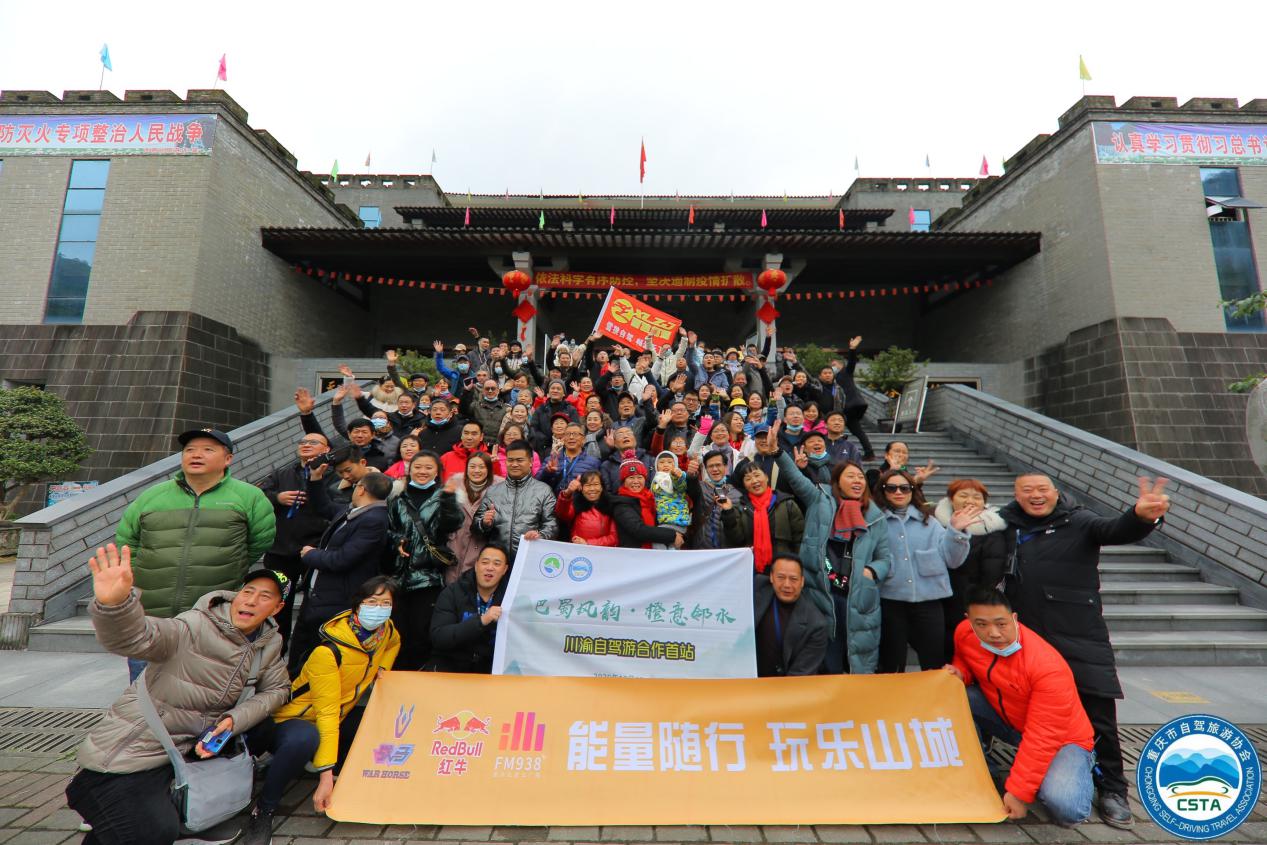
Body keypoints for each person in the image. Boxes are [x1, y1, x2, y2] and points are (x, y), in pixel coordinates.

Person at [66, 545, 290, 845]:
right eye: (248, 591)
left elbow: (278, 689)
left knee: (138, 828)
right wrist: (116, 605)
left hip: (180, 756)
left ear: (277, 609)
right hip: (130, 757)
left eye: (265, 596)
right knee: (153, 832)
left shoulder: (267, 643)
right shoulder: (194, 626)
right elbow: (137, 638)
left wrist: (233, 720)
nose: (251, 600)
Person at [999, 473, 1170, 829]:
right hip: (1027, 641)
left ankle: (1112, 789)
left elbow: (1115, 529)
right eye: (1027, 491)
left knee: (1099, 717)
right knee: (1026, 709)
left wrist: (1142, 516)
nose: (1035, 496)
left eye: (1042, 489)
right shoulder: (1005, 525)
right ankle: (1041, 770)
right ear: (1016, 496)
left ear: (1056, 494)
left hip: (1079, 636)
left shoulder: (1078, 521)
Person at [244, 576, 400, 842]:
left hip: (335, 719)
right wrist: (325, 778)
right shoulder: (328, 652)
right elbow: (326, 714)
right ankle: (265, 809)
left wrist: (382, 669)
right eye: (372, 602)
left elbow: (395, 643)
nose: (379, 608)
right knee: (306, 737)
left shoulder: (384, 632)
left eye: (385, 603)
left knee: (380, 725)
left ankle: (312, 763)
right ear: (357, 606)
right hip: (289, 720)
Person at [115, 428, 276, 682]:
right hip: (152, 615)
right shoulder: (153, 496)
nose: (196, 455)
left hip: (213, 618)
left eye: (208, 450)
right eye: (190, 450)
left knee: (201, 694)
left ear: (228, 459)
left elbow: (259, 542)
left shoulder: (249, 497)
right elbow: (127, 543)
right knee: (142, 694)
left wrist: (228, 563)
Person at [945, 588, 1096, 828]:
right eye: (981, 624)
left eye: (1001, 624)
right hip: (1011, 722)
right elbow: (965, 660)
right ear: (968, 621)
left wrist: (1018, 793)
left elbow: (1043, 735)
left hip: (1062, 738)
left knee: (1067, 808)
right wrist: (960, 673)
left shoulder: (1047, 666)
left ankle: (1083, 763)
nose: (992, 633)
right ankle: (985, 770)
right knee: (955, 696)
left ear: (1014, 618)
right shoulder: (964, 633)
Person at [781, 451, 890, 675]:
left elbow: (885, 558)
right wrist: (777, 453)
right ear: (837, 480)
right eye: (850, 476)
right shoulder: (820, 498)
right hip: (822, 591)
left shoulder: (875, 516)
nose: (857, 481)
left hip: (858, 594)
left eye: (860, 477)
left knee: (857, 655)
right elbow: (795, 478)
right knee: (824, 656)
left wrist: (870, 571)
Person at [287, 469, 393, 676]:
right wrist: (315, 480)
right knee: (300, 656)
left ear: (361, 489)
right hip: (317, 596)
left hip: (335, 600)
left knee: (319, 661)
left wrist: (311, 555)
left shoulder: (374, 519)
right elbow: (324, 507)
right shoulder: (354, 511)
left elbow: (343, 559)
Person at [875, 468, 975, 672]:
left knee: (934, 660)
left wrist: (957, 531)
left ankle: (933, 702)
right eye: (891, 488)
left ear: (913, 490)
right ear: (883, 491)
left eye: (905, 487)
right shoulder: (875, 522)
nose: (898, 492)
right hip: (890, 602)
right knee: (891, 662)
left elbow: (953, 560)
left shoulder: (930, 521)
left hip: (929, 603)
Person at [385, 451, 463, 670]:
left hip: (428, 577)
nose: (422, 471)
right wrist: (396, 540)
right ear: (410, 469)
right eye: (418, 467)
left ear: (437, 471)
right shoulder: (397, 497)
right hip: (399, 576)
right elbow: (387, 529)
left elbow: (452, 524)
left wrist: (448, 499)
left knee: (421, 634)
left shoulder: (442, 496)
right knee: (397, 633)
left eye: (429, 467)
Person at [256, 431, 331, 652]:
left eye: (313, 442)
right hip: (279, 549)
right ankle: (274, 652)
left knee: (312, 606)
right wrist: (277, 498)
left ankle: (303, 654)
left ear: (326, 449)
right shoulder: (283, 473)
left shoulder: (333, 475)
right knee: (277, 606)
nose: (306, 445)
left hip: (314, 551)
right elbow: (259, 495)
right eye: (303, 442)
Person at [933, 479, 1007, 661]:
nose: (970, 501)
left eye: (977, 497)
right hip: (940, 598)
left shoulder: (994, 528)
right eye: (963, 495)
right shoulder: (936, 524)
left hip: (975, 601)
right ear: (950, 500)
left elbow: (993, 571)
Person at [426, 544, 511, 673]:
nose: (490, 568)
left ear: (505, 569)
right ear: (476, 565)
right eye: (485, 562)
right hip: (450, 669)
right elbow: (439, 637)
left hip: (489, 672)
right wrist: (481, 621)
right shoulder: (453, 592)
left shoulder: (511, 598)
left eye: (497, 564)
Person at [472, 440, 558, 558]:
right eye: (510, 460)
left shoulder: (543, 491)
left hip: (529, 557)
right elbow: (475, 528)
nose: (514, 464)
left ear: (531, 461)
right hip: (497, 561)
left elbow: (552, 524)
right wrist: (483, 523)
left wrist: (540, 535)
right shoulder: (493, 491)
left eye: (520, 460)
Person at [720, 456, 804, 572]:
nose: (754, 481)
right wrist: (728, 512)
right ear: (744, 485)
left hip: (784, 569)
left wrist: (797, 565)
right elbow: (736, 539)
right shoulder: (741, 508)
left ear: (766, 477)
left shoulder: (787, 504)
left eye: (757, 475)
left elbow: (799, 539)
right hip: (752, 569)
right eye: (748, 478)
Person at [753, 555, 830, 677]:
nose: (787, 585)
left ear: (802, 581)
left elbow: (800, 674)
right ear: (771, 577)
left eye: (793, 579)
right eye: (781, 577)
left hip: (785, 685)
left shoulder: (816, 624)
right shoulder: (757, 587)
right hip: (746, 678)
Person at [449, 451, 503, 585]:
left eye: (482, 467)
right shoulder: (454, 485)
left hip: (481, 550)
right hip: (454, 547)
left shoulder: (499, 491)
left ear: (489, 470)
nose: (476, 471)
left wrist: (487, 522)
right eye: (472, 466)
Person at [610, 452, 685, 549]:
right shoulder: (622, 504)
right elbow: (639, 530)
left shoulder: (649, 498)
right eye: (631, 478)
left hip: (652, 553)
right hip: (635, 555)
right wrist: (672, 535)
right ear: (624, 481)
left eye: (639, 477)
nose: (636, 481)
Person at [693, 449, 743, 550]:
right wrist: (691, 475)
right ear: (705, 469)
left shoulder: (737, 492)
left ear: (726, 466)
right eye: (710, 466)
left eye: (718, 465)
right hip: (702, 549)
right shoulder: (699, 487)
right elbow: (689, 484)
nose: (715, 469)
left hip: (729, 551)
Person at [556, 471, 618, 546]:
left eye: (596, 484)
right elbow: (562, 514)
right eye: (587, 485)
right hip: (578, 552)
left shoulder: (611, 505)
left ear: (602, 487)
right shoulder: (576, 504)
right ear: (581, 488)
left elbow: (614, 538)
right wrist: (567, 493)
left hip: (603, 553)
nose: (592, 489)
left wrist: (587, 543)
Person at [537, 422, 602, 493]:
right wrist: (547, 472)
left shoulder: (593, 462)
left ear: (583, 439)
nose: (571, 437)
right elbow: (537, 484)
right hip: (555, 502)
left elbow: (598, 488)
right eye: (568, 434)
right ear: (563, 439)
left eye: (575, 434)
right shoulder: (551, 460)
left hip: (579, 502)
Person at [866, 440, 940, 494]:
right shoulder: (873, 473)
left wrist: (917, 482)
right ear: (886, 455)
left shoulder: (906, 475)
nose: (901, 455)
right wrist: (891, 472)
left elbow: (916, 500)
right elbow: (875, 492)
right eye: (897, 451)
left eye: (905, 452)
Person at [650, 450, 692, 542]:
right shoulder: (656, 480)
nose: (665, 465)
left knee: (659, 544)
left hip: (677, 521)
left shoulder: (678, 476)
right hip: (662, 520)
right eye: (661, 462)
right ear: (656, 466)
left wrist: (677, 476)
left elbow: (680, 486)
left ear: (675, 464)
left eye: (669, 462)